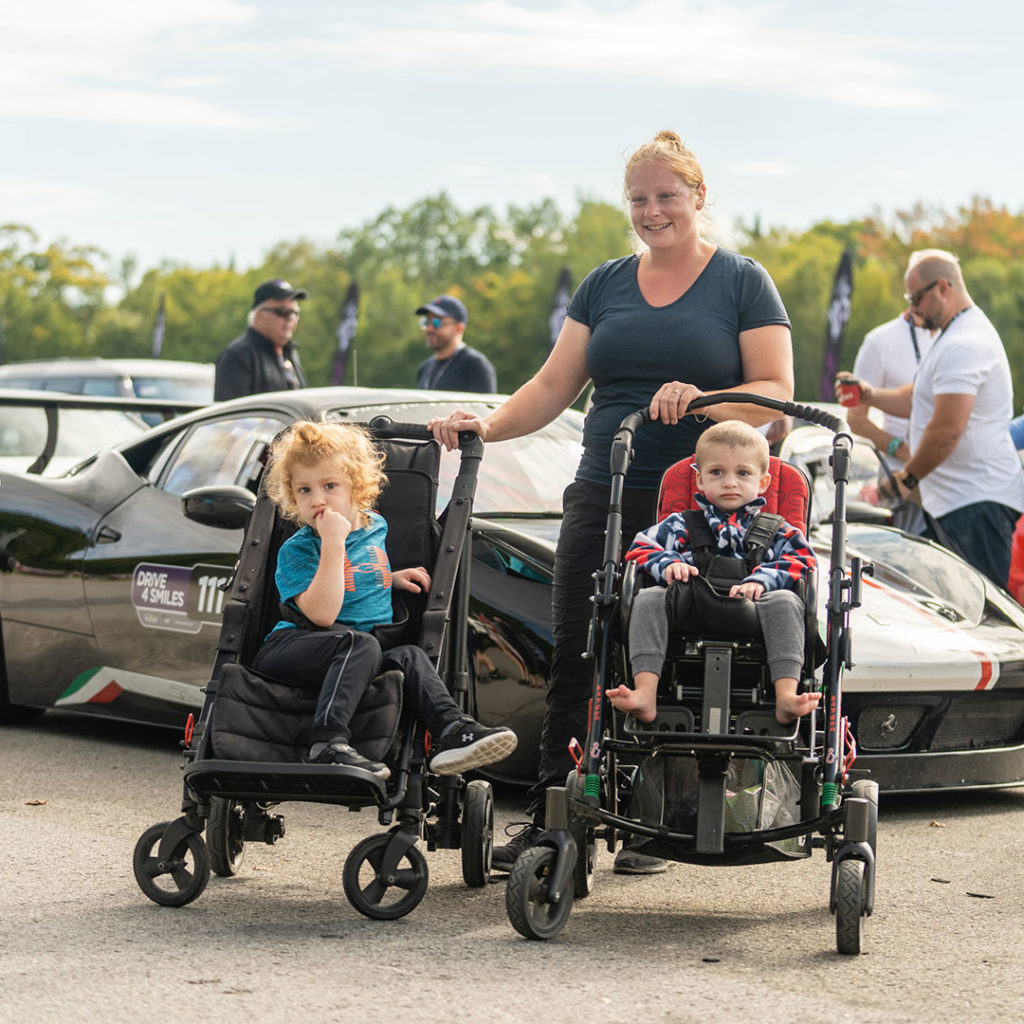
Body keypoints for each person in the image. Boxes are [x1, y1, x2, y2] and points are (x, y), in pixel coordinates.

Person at [429, 130, 794, 874]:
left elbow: (776, 392)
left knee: (681, 653)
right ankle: (554, 818)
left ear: (698, 195)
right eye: (638, 199)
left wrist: (706, 398)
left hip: (699, 506)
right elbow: (552, 386)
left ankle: (659, 818)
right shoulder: (604, 284)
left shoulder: (742, 282)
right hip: (604, 485)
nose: (652, 211)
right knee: (578, 652)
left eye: (666, 195)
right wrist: (486, 426)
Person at [250, 420, 518, 777]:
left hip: (358, 653)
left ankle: (453, 730)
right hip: (295, 647)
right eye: (304, 490)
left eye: (329, 486)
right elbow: (322, 615)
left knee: (410, 656)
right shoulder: (298, 549)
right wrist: (333, 542)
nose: (317, 500)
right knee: (360, 644)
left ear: (356, 486)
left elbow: (352, 577)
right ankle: (326, 744)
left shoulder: (374, 525)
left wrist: (388, 579)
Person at [607, 421, 819, 726]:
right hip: (689, 604)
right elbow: (640, 547)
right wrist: (668, 563)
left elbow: (803, 559)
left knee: (786, 601)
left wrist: (763, 579)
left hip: (756, 609)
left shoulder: (777, 529)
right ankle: (645, 693)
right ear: (700, 480)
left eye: (743, 473)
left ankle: (786, 696)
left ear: (763, 482)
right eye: (717, 472)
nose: (730, 482)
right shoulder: (681, 524)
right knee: (649, 597)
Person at [836, 249, 1024, 588]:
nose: (912, 307)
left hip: (975, 503)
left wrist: (907, 478)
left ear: (942, 288)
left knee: (974, 611)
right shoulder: (953, 336)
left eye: (916, 298)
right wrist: (870, 394)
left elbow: (947, 429)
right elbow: (917, 399)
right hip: (963, 502)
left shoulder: (965, 342)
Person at [845, 306, 935, 532]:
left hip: (939, 473)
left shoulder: (949, 337)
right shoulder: (879, 341)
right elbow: (856, 419)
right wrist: (901, 450)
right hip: (897, 477)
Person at [214, 279, 310, 401]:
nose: (290, 318)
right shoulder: (238, 355)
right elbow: (230, 412)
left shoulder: (290, 353)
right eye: (283, 312)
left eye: (295, 313)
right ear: (259, 315)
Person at [415, 294, 497, 393]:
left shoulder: (475, 365)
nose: (429, 329)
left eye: (437, 322)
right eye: (426, 321)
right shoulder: (425, 368)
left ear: (459, 328)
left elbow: (485, 403)